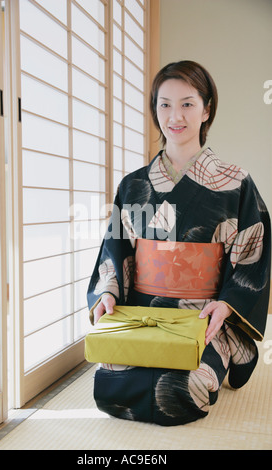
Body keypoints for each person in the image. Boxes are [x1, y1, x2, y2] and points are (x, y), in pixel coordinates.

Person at [87, 60, 271, 426]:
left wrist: (228, 307)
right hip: (143, 316)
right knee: (110, 384)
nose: (176, 115)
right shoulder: (133, 185)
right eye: (165, 104)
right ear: (155, 111)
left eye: (187, 103)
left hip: (202, 318)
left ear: (206, 109)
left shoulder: (236, 183)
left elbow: (254, 250)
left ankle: (217, 358)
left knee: (184, 388)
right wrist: (107, 293)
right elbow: (116, 250)